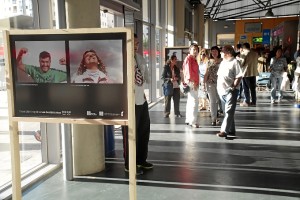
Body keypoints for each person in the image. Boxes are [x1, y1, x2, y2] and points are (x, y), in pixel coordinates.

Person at [122, 33, 152, 175]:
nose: (136, 46)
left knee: (143, 131)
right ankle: (130, 164)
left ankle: (141, 160)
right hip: (129, 102)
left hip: (141, 99)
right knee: (131, 134)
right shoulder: (122, 58)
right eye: (133, 43)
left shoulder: (139, 58)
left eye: (137, 43)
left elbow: (143, 78)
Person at [216, 45, 242, 139]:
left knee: (228, 111)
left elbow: (239, 76)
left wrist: (234, 87)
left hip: (231, 90)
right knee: (228, 111)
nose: (221, 54)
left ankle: (224, 131)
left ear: (227, 53)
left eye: (222, 52)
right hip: (222, 90)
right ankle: (231, 129)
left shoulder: (235, 62)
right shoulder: (223, 62)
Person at [182, 43, 200, 128]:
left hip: (193, 81)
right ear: (190, 50)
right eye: (194, 49)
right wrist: (192, 82)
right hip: (192, 82)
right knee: (194, 101)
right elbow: (188, 71)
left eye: (196, 50)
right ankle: (193, 121)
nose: (195, 51)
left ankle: (189, 119)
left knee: (190, 101)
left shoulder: (193, 59)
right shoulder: (189, 58)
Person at [203, 46, 222, 126]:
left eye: (215, 51)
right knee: (212, 101)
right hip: (210, 83)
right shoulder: (208, 62)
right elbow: (206, 73)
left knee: (219, 100)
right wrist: (203, 83)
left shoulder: (222, 61)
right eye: (212, 51)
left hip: (220, 83)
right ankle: (213, 118)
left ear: (218, 52)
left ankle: (218, 114)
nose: (214, 53)